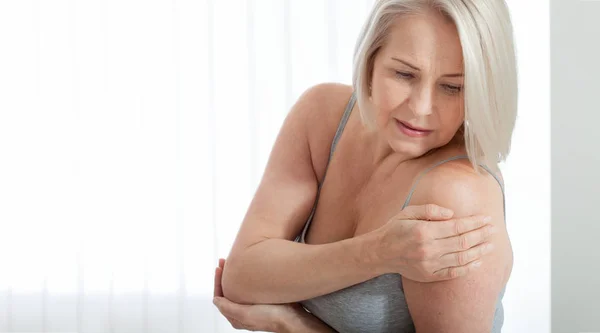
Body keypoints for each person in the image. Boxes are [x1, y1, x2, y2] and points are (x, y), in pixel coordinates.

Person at [213, 0, 517, 331]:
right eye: (404, 74)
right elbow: (241, 276)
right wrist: (378, 252)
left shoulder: (457, 194)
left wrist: (295, 326)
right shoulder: (321, 116)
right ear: (371, 60)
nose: (420, 107)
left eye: (451, 87)